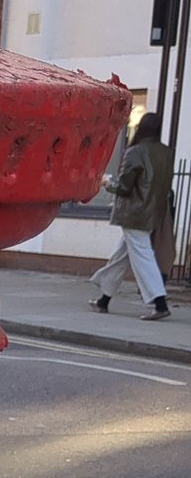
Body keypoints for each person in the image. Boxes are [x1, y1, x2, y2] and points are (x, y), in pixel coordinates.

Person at [90, 111, 174, 321]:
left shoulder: (135, 152)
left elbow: (125, 187)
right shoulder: (166, 152)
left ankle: (159, 303)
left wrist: (107, 183)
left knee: (143, 257)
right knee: (122, 256)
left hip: (134, 214)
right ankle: (103, 300)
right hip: (153, 212)